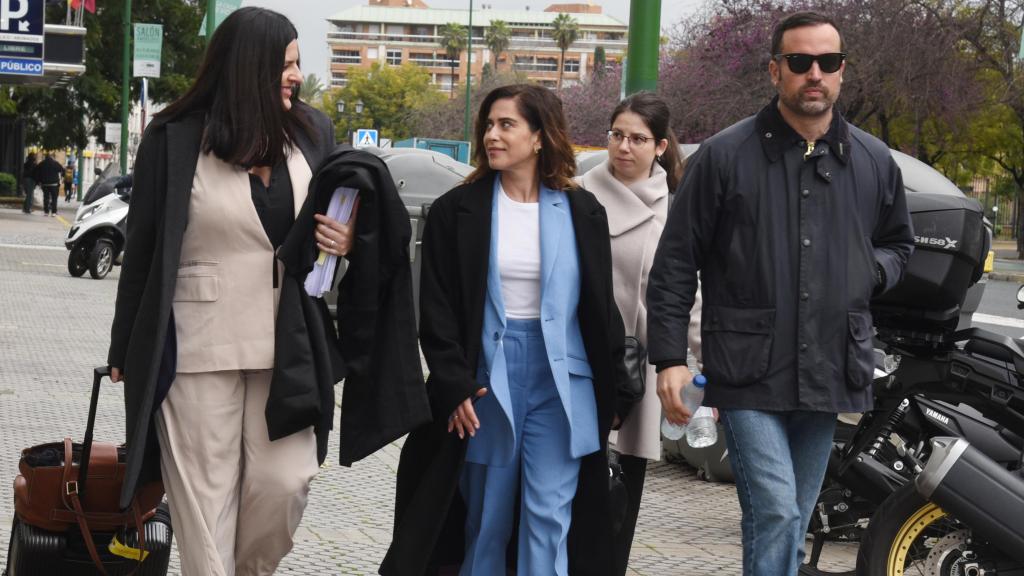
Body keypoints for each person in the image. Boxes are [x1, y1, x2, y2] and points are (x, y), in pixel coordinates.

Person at [646, 11, 915, 576]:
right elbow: (675, 263)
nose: (814, 73)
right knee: (774, 511)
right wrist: (669, 359)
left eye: (828, 62)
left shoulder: (872, 160)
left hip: (830, 367)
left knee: (793, 514)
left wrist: (870, 271)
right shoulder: (723, 156)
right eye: (800, 62)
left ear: (842, 72)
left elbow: (898, 246)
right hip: (746, 370)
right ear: (775, 70)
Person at [107, 8, 353, 575]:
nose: (296, 75)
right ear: (251, 68)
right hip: (196, 347)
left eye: (297, 64)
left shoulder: (313, 133)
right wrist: (125, 345)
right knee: (204, 506)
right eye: (287, 65)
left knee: (285, 483)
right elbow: (142, 249)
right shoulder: (173, 137)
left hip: (289, 343)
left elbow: (326, 230)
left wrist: (341, 243)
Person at [380, 84, 631, 576]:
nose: (492, 135)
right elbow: (437, 309)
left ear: (540, 136)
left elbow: (601, 308)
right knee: (487, 518)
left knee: (549, 517)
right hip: (485, 380)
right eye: (488, 125)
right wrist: (454, 384)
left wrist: (617, 393)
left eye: (506, 125)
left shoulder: (583, 211)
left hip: (564, 381)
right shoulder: (457, 210)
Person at [575, 91, 703, 576]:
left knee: (619, 494)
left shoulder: (675, 209)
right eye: (617, 135)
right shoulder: (576, 194)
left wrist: (699, 360)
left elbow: (688, 294)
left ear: (661, 146)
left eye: (638, 138)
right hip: (579, 362)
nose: (624, 147)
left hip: (636, 370)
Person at [33, 152, 63, 217]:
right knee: (54, 198)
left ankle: (46, 211)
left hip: (45, 184)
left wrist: (39, 181)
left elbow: (36, 170)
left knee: (46, 198)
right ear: (51, 157)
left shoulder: (42, 164)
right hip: (54, 184)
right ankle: (53, 212)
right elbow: (62, 170)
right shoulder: (55, 163)